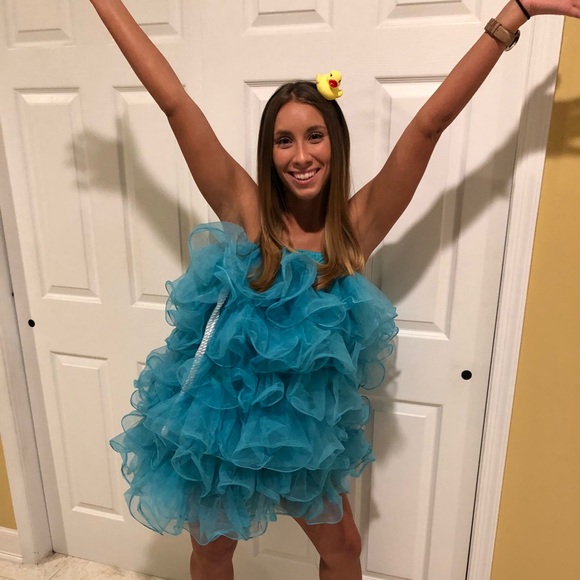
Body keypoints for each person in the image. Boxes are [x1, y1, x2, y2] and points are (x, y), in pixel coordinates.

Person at [89, 1, 579, 579]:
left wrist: (516, 13)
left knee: (343, 548)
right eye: (284, 141)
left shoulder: (355, 228)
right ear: (269, 152)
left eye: (314, 136)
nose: (301, 156)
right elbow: (175, 103)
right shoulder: (245, 209)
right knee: (213, 551)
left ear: (334, 143)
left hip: (303, 430)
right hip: (221, 423)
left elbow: (429, 126)